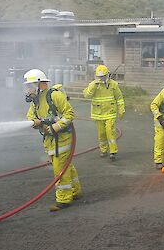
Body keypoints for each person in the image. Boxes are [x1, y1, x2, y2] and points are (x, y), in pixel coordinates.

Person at [24, 69, 81, 211]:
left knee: (59, 169)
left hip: (61, 139)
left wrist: (56, 126)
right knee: (66, 165)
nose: (27, 89)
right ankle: (75, 190)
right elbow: (30, 117)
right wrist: (35, 122)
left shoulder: (55, 96)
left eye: (30, 85)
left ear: (39, 84)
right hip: (50, 141)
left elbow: (69, 114)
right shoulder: (35, 102)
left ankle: (64, 199)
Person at [83, 64, 125, 160]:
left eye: (103, 76)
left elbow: (119, 98)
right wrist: (93, 86)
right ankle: (103, 150)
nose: (101, 79)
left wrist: (121, 109)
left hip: (110, 112)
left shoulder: (113, 85)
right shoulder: (93, 85)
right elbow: (86, 95)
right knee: (101, 134)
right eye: (100, 77)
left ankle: (113, 152)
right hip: (98, 114)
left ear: (107, 75)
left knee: (110, 131)